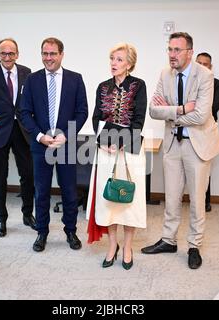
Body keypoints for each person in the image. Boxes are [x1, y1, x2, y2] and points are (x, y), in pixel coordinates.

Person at [141, 32, 219, 269]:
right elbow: (153, 111)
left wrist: (170, 114)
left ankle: (194, 245)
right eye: (169, 49)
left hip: (197, 145)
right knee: (172, 197)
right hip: (172, 145)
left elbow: (201, 115)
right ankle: (168, 240)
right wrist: (179, 110)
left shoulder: (205, 75)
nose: (172, 55)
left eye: (177, 50)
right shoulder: (165, 74)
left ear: (189, 52)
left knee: (197, 200)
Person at [20, 37, 88, 252]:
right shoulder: (32, 80)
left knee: (69, 191)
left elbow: (82, 111)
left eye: (53, 54)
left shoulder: (75, 79)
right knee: (41, 191)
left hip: (65, 144)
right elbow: (24, 112)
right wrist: (39, 136)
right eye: (45, 54)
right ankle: (42, 232)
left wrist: (66, 135)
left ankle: (71, 231)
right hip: (41, 145)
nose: (48, 58)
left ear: (61, 55)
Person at [86, 43, 147, 270]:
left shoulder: (139, 86)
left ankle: (128, 246)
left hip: (130, 150)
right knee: (109, 200)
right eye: (112, 58)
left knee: (128, 198)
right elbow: (96, 118)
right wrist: (106, 142)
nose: (114, 63)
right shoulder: (103, 87)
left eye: (119, 59)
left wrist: (121, 142)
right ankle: (113, 246)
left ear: (129, 63)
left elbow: (139, 120)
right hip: (106, 150)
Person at [0, 38, 35, 237]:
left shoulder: (27, 73)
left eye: (11, 53)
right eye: (4, 53)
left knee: (28, 175)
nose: (7, 57)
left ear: (17, 54)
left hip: (22, 132)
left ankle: (28, 214)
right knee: (0, 177)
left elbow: (32, 102)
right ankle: (1, 219)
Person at [195, 52, 219, 212]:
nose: (201, 66)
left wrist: (192, 109)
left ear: (210, 67)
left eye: (204, 64)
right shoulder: (187, 82)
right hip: (188, 130)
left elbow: (214, 106)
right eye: (198, 62)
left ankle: (205, 201)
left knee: (204, 168)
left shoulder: (217, 84)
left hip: (206, 131)